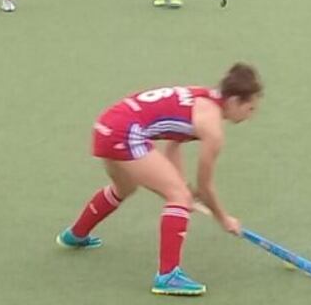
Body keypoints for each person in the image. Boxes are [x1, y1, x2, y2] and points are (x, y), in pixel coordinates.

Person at [56, 63, 263, 296]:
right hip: (125, 132)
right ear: (235, 101)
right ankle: (168, 276)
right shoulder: (212, 128)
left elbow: (174, 143)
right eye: (250, 109)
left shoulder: (202, 97)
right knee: (178, 197)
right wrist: (223, 218)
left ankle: (75, 235)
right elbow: (205, 186)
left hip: (107, 124)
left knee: (125, 187)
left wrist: (181, 185)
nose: (250, 116)